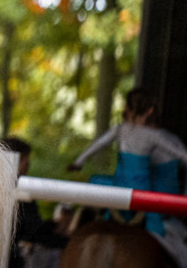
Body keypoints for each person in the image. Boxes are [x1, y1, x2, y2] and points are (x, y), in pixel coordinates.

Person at [69, 88, 187, 235]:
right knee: (156, 222)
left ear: (127, 108)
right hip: (141, 190)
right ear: (149, 111)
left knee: (94, 184)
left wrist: (78, 162)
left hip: (119, 186)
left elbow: (98, 144)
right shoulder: (153, 136)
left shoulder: (118, 129)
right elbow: (182, 155)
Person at [1, 137, 68, 268]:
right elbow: (34, 233)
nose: (28, 163)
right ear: (15, 160)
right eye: (25, 158)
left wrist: (53, 224)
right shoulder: (20, 191)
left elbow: (30, 229)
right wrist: (70, 242)